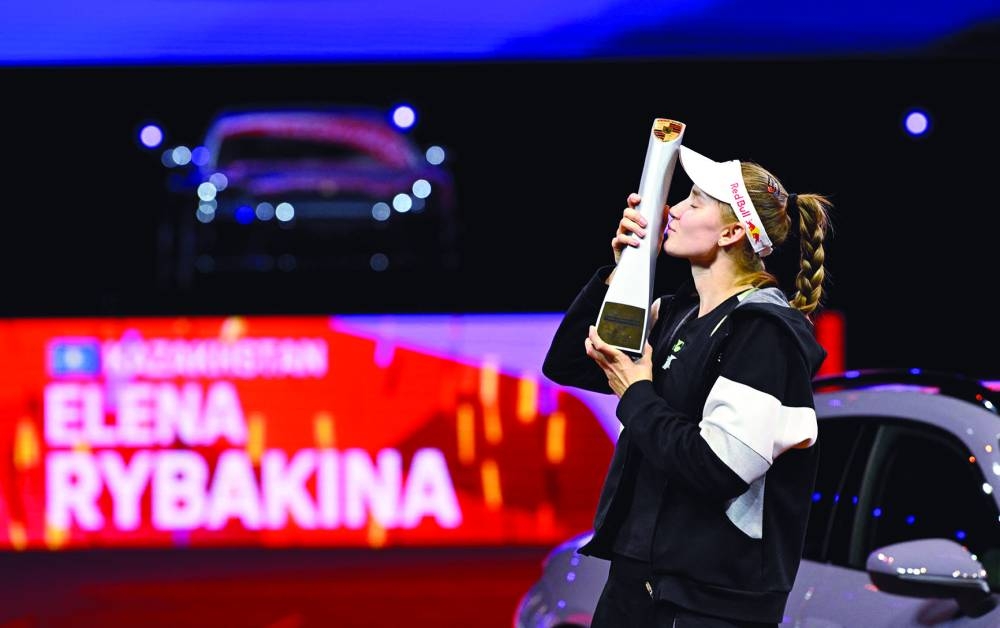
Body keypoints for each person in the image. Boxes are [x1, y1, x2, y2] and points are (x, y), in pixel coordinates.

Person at [542, 145, 833, 627]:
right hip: (639, 582)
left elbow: (717, 467)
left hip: (709, 602)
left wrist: (637, 392)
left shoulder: (764, 331)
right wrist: (626, 270)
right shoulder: (676, 311)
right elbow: (571, 360)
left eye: (695, 200)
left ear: (732, 231)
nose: (672, 209)